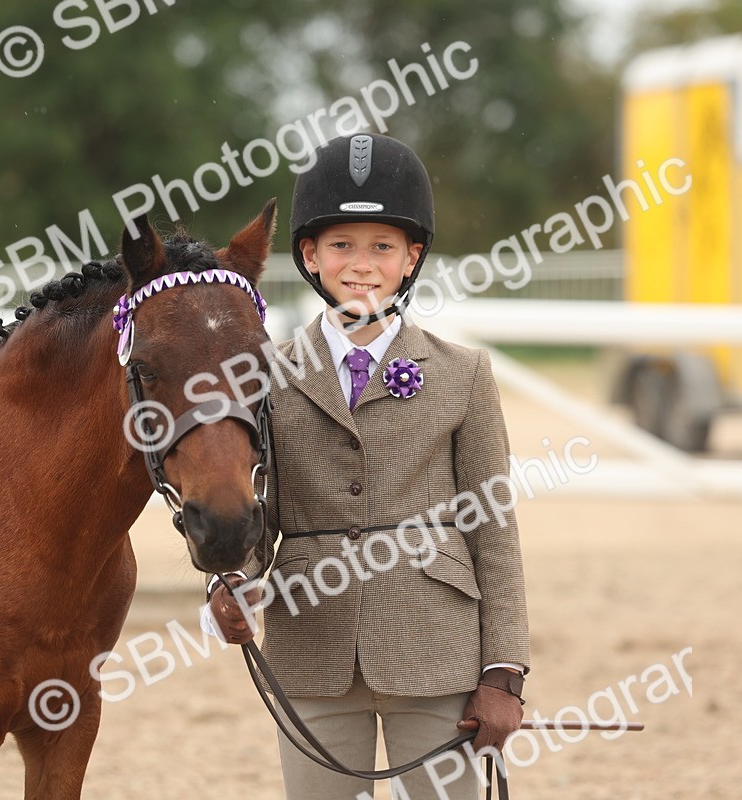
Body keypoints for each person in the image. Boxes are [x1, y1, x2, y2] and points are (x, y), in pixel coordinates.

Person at [204, 132, 530, 800]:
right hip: (311, 645)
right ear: (309, 255)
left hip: (434, 647)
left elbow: (493, 529)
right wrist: (230, 579)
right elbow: (259, 507)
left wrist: (504, 671)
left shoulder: (463, 374)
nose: (361, 264)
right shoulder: (265, 377)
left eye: (382, 247)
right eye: (342, 245)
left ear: (412, 259)